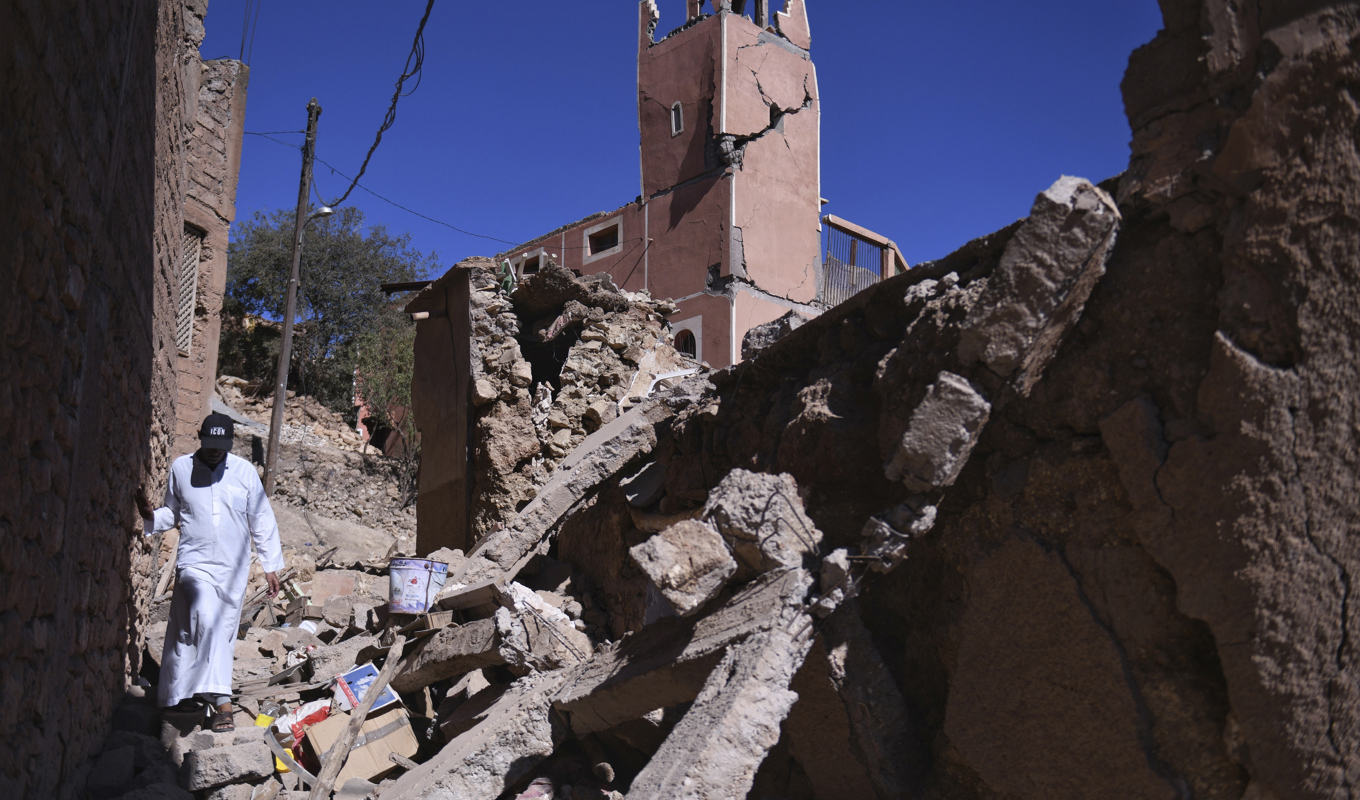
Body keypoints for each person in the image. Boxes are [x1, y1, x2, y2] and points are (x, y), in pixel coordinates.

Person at [136, 412, 283, 732]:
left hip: (233, 569)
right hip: (194, 564)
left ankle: (183, 695)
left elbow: (262, 520)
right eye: (210, 443)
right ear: (199, 436)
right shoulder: (181, 468)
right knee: (206, 619)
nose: (215, 450)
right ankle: (222, 703)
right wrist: (150, 516)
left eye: (222, 445)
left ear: (230, 443)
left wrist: (271, 565)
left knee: (209, 633)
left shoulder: (244, 472)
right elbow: (172, 514)